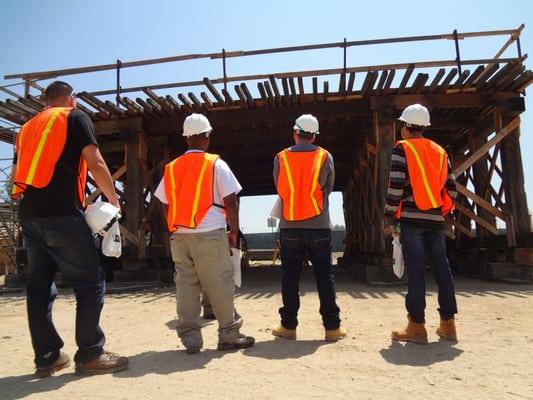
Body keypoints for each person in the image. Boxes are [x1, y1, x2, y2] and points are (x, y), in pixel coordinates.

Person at [11, 81, 129, 377]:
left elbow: (16, 173)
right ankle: (90, 354)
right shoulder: (74, 117)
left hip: (29, 214)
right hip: (61, 212)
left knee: (38, 288)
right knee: (90, 281)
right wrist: (113, 200)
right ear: (70, 98)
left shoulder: (26, 128)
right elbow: (95, 161)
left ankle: (47, 356)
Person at [154, 113, 254, 354]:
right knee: (219, 284)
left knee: (186, 285)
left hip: (180, 235)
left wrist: (173, 226)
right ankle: (229, 333)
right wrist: (233, 232)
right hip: (210, 233)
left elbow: (163, 202)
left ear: (186, 138)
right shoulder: (215, 164)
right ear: (207, 138)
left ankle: (191, 338)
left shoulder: (172, 168)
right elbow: (231, 201)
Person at [385, 104, 459, 344]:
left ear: (406, 126)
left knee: (416, 270)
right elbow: (452, 188)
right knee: (442, 269)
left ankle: (416, 326)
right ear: (424, 126)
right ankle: (448, 325)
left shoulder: (402, 148)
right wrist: (442, 212)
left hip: (411, 220)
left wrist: (388, 215)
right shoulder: (440, 151)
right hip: (436, 220)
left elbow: (396, 185)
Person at [272, 114, 346, 341]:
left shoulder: (281, 158)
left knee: (290, 277)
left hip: (290, 226)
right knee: (325, 277)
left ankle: (289, 327)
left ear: (295, 133)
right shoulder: (325, 156)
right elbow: (329, 187)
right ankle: (332, 328)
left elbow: (279, 187)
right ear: (314, 136)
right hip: (319, 226)